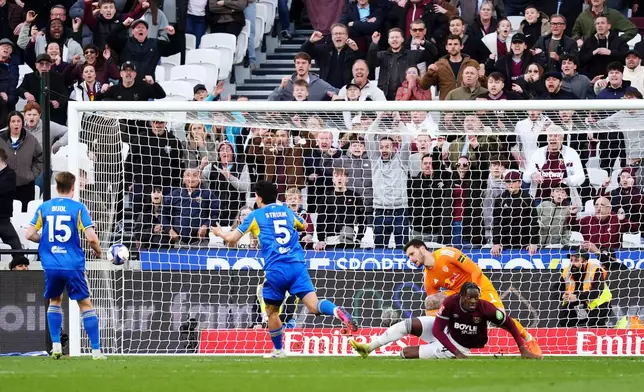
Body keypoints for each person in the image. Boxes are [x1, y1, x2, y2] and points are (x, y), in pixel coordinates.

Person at [211, 180, 358, 358]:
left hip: (276, 269)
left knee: (272, 312)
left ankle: (278, 350)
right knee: (314, 306)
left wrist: (219, 233)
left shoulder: (256, 215)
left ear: (258, 198)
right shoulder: (287, 211)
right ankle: (337, 311)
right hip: (297, 266)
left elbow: (232, 238)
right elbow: (304, 225)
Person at [401, 240, 542, 355]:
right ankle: (441, 341)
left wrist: (474, 291)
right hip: (458, 296)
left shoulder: (447, 254)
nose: (411, 259)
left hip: (480, 287)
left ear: (423, 249)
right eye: (408, 257)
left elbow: (475, 270)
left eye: (412, 254)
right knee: (430, 302)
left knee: (500, 318)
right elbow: (433, 301)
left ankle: (529, 340)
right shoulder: (428, 277)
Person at [24, 171, 105, 360]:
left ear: (56, 187)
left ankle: (56, 346)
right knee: (85, 304)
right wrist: (99, 251)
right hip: (73, 265)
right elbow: (92, 238)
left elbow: (29, 234)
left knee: (55, 302)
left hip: (51, 265)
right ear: (73, 187)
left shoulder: (44, 207)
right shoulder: (78, 208)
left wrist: (45, 241)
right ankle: (96, 351)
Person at [349, 282, 542, 359]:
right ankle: (368, 348)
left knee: (405, 353)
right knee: (407, 325)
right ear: (461, 296)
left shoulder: (486, 308)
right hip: (447, 336)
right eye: (470, 297)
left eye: (476, 297)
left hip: (460, 344)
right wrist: (456, 353)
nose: (473, 301)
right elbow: (438, 330)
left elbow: (508, 323)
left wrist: (522, 348)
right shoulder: (450, 302)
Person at [0, 111, 43, 211]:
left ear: (22, 123)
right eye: (13, 121)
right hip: (4, 184)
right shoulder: (1, 139)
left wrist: (31, 175)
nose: (16, 124)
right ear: (9, 124)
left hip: (25, 185)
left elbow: (40, 158)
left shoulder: (31, 140)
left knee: (24, 214)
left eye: (18, 121)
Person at [557, 251, 612, 327]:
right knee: (564, 318)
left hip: (598, 305)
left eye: (576, 260)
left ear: (585, 262)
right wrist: (562, 295)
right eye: (571, 260)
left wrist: (576, 297)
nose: (573, 263)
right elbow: (554, 290)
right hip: (578, 305)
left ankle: (602, 329)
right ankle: (571, 335)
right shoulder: (567, 271)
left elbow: (596, 292)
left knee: (595, 323)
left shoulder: (595, 270)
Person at [0, 148, 22, 250]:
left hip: (3, 219)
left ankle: (20, 264)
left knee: (16, 247)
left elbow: (2, 189)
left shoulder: (10, 174)